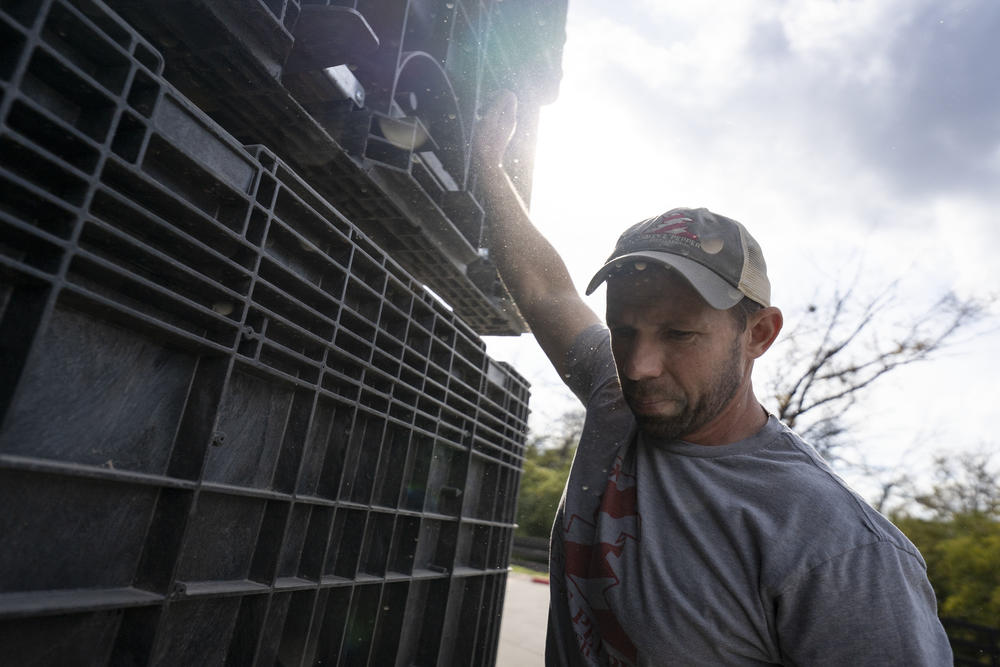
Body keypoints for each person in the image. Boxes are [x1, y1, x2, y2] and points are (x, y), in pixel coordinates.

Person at [474, 92, 953, 666]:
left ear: (758, 334)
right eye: (622, 331)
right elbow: (544, 288)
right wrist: (487, 167)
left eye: (679, 335)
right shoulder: (618, 401)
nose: (637, 365)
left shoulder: (837, 549)